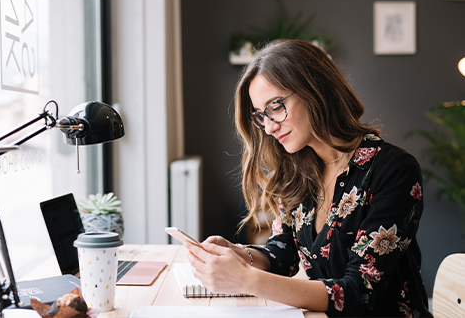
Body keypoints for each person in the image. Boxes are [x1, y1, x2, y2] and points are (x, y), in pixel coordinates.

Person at [185, 39, 432, 317]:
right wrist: (241, 255)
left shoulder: (393, 170)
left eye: (275, 107)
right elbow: (283, 255)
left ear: (314, 90)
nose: (268, 127)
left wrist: (245, 278)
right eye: (260, 116)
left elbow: (358, 293)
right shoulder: (296, 171)